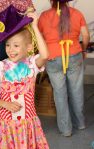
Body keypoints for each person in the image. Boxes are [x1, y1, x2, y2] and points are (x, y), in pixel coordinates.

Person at [0, 5, 49, 149]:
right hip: (6, 127)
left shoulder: (31, 64)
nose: (10, 50)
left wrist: (35, 27)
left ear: (28, 47)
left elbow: (45, 55)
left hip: (28, 125)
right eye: (8, 45)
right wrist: (3, 103)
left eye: (16, 45)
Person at [38, 0, 90, 137]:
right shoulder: (77, 13)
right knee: (76, 90)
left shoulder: (44, 16)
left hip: (53, 57)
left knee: (59, 93)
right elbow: (85, 36)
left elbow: (39, 38)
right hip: (74, 54)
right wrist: (83, 50)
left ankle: (66, 130)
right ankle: (80, 123)